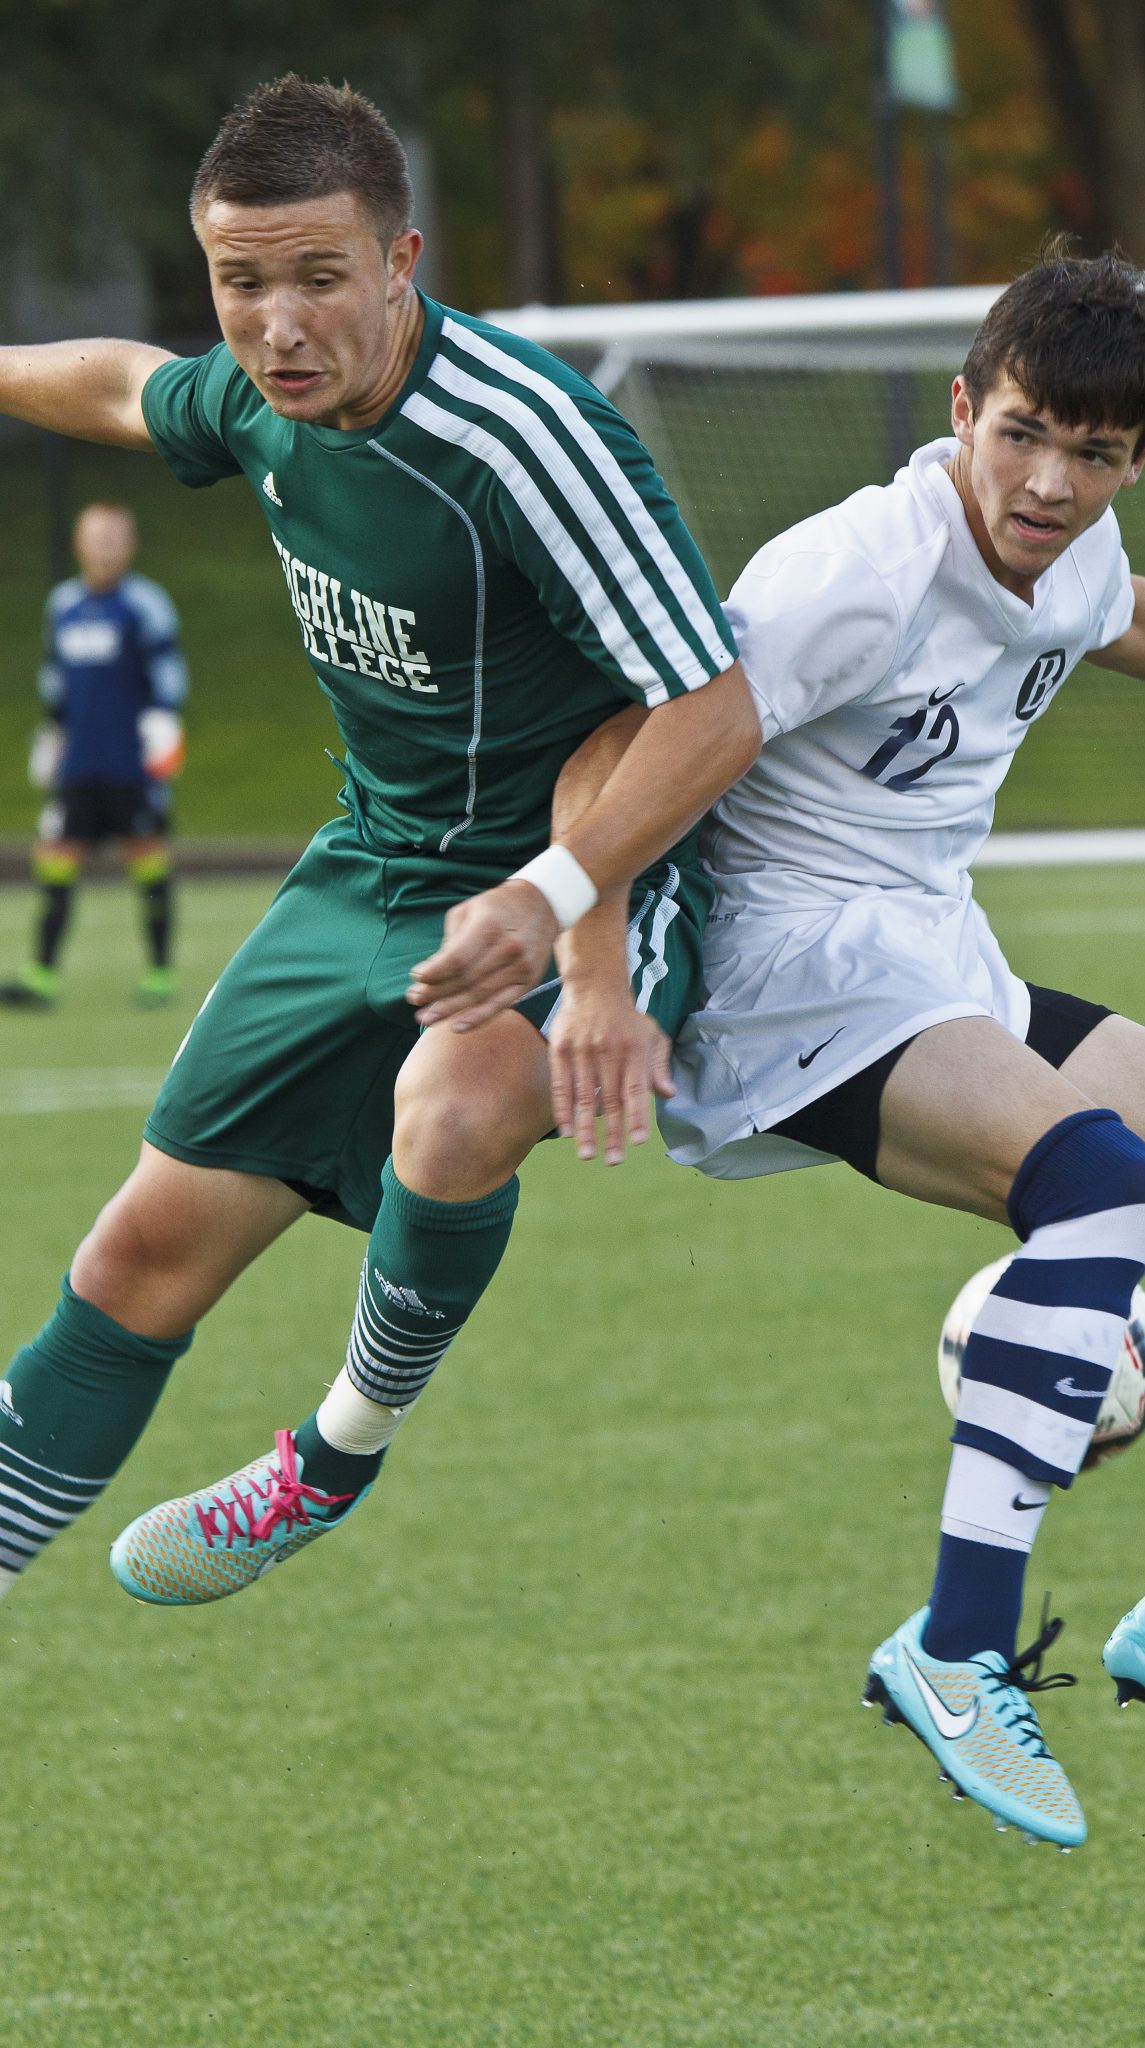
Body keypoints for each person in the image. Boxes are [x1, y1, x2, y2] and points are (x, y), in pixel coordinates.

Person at [571, 245, 1145, 1848]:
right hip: (793, 972)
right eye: (1021, 434)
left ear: (1132, 460)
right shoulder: (852, 570)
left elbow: (1120, 612)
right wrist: (594, 960)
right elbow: (654, 738)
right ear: (964, 407)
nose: (1047, 482)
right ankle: (955, 1648)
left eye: (1094, 457)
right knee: (1096, 1195)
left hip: (937, 949)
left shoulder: (1073, 544)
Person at [0, 76, 760, 1611]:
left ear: (403, 262)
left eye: (317, 279)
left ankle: (330, 1458)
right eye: (240, 281)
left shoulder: (527, 436)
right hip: (371, 864)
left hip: (581, 873)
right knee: (137, 1254)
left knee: (455, 1100)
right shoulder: (258, 400)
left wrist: (560, 907)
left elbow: (713, 711)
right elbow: (117, 386)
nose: (276, 325)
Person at [2, 501, 187, 1010]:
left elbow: (168, 671)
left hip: (131, 765)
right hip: (79, 764)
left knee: (148, 862)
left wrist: (165, 720)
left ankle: (159, 974)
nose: (106, 547)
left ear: (130, 545)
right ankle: (41, 975)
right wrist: (51, 735)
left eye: (115, 538)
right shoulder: (62, 605)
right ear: (78, 544)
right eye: (96, 537)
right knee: (55, 862)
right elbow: (54, 679)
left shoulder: (146, 604)